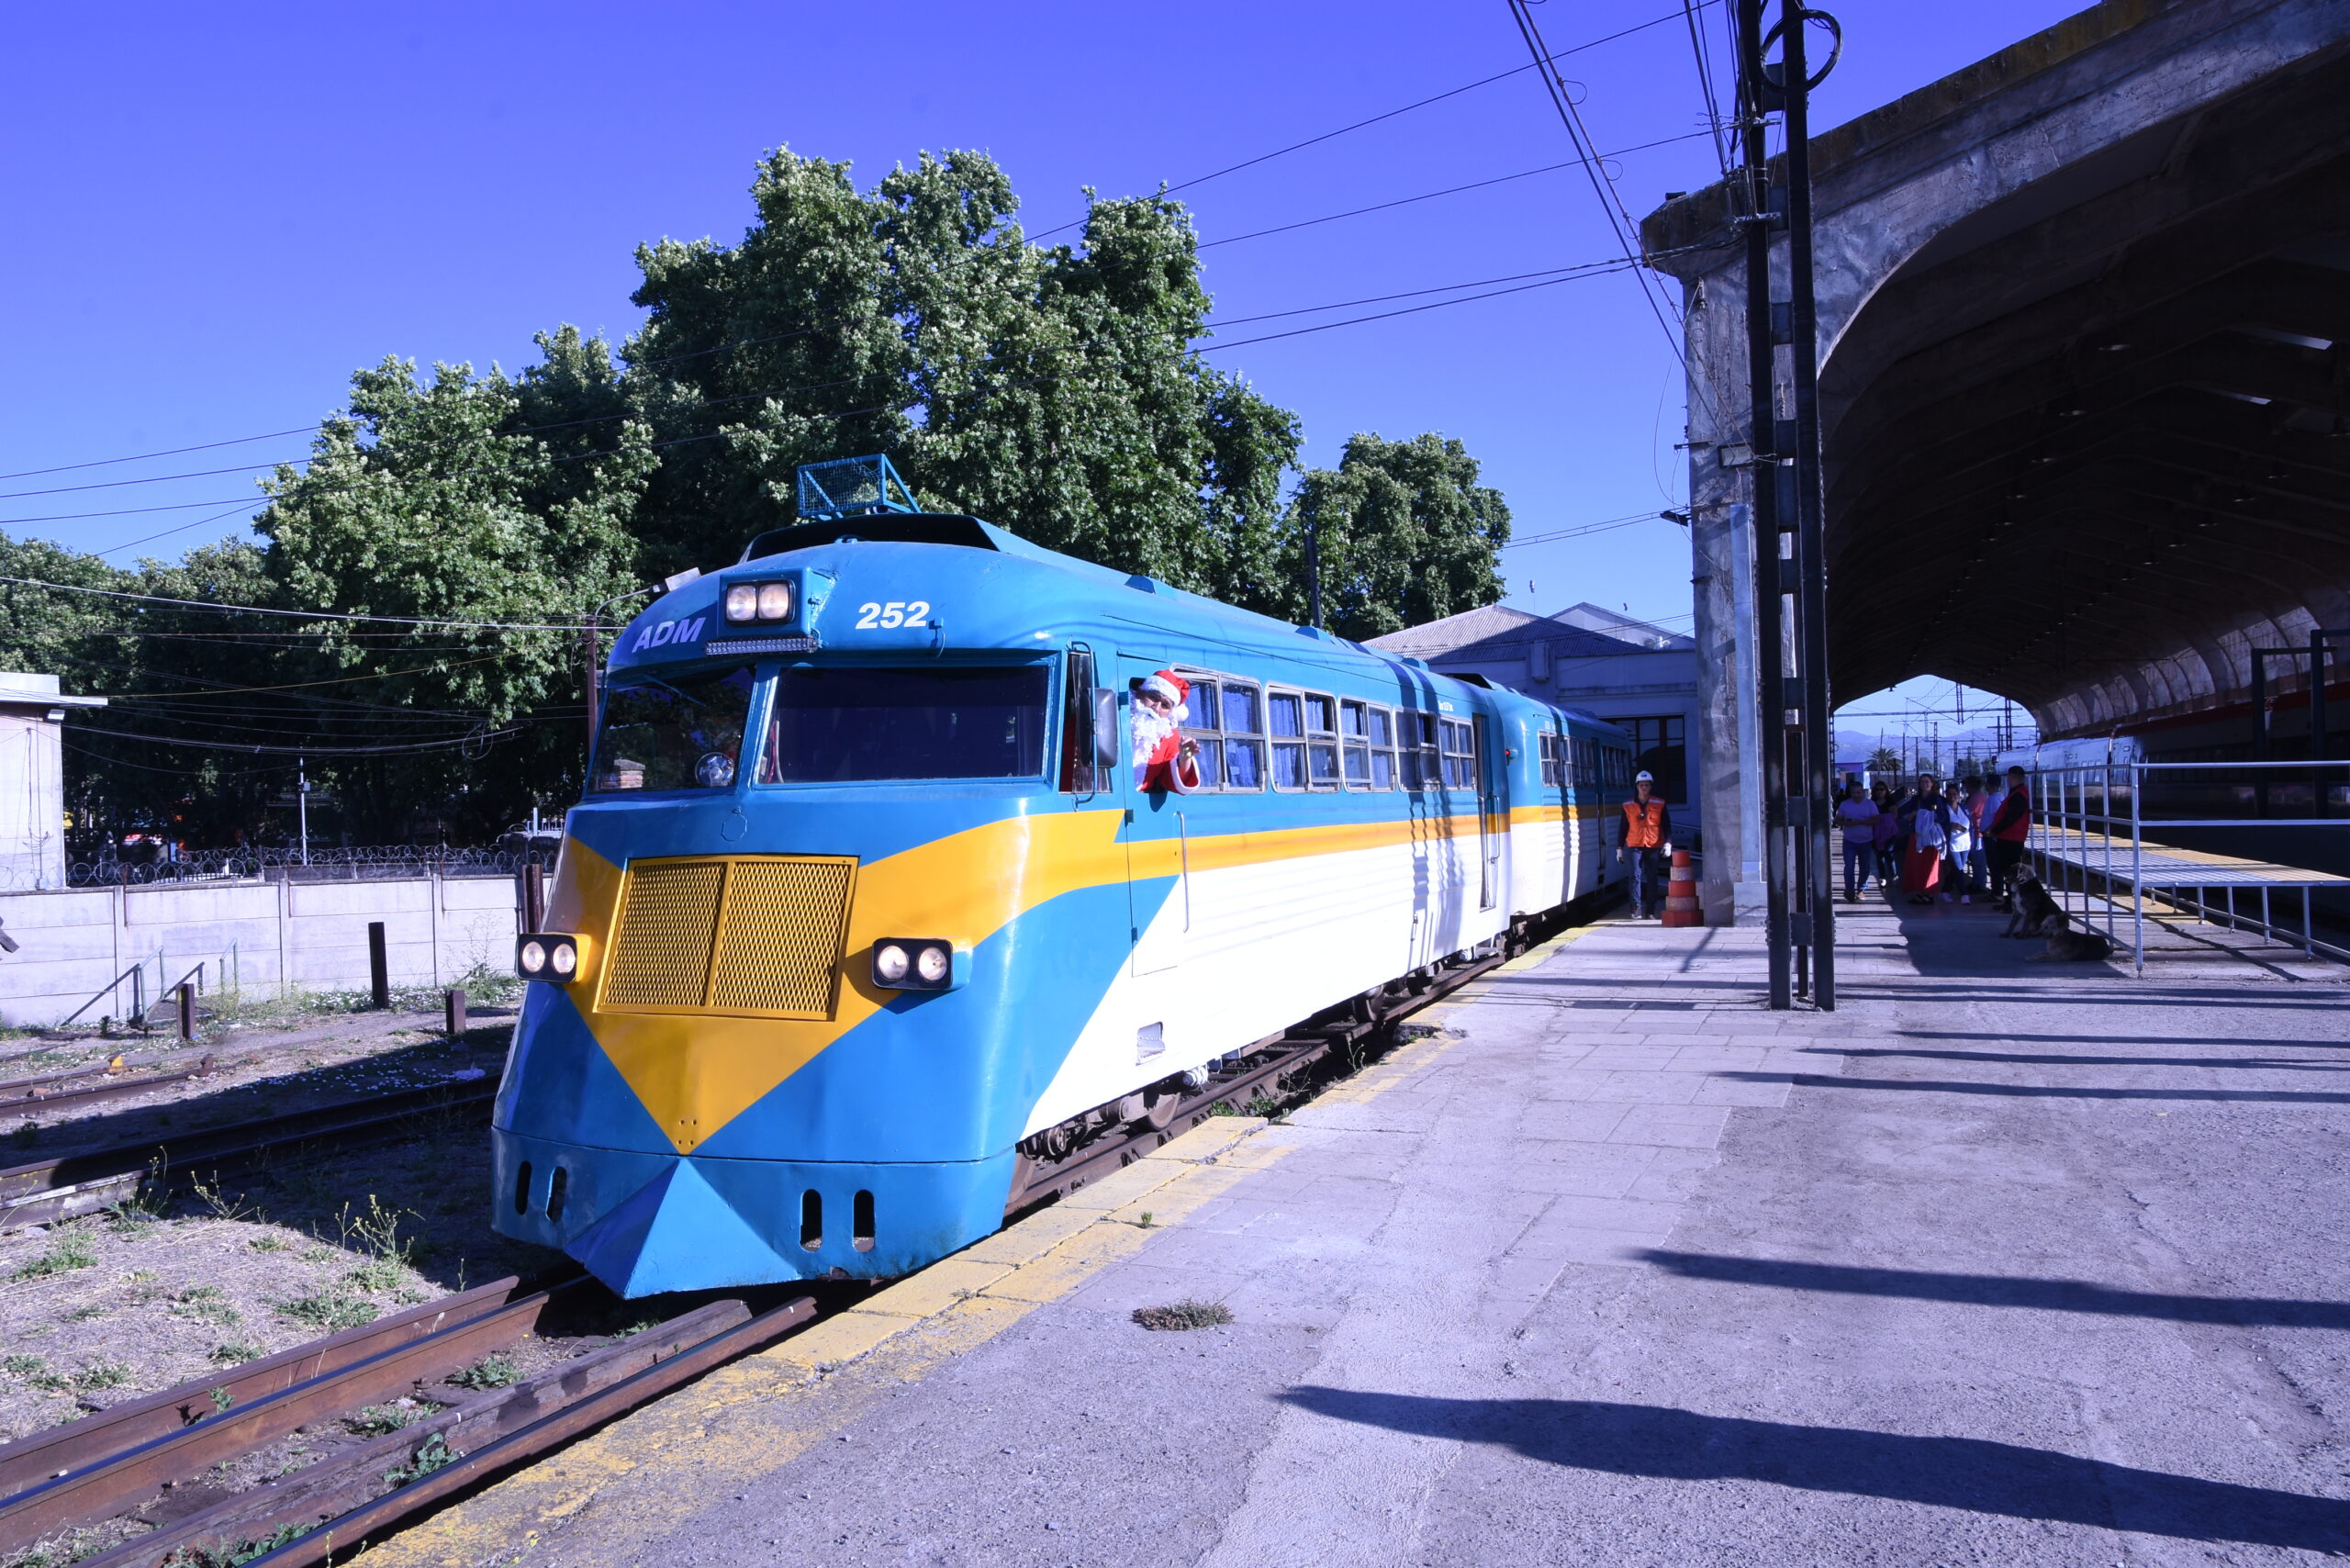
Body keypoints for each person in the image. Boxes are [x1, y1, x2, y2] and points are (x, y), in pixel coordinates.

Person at [1129, 669, 1203, 794]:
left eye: (1165, 705)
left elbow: (1173, 783)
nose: (1156, 707)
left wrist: (1185, 759)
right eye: (1153, 697)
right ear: (1140, 692)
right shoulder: (1115, 712)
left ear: (1170, 712)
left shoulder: (1169, 736)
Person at [1618, 769, 1672, 918]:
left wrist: (1668, 843)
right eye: (1641, 785)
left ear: (1651, 786)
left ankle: (1650, 910)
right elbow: (1623, 827)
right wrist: (1619, 848)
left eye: (1647, 785)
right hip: (1633, 844)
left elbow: (1666, 825)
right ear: (1637, 786)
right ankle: (1636, 908)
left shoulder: (1659, 803)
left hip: (1653, 845)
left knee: (1652, 877)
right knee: (1635, 876)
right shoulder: (1628, 805)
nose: (1644, 788)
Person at [1986, 764, 2034, 908]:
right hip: (2009, 837)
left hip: (2011, 838)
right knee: (2008, 872)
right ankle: (2010, 901)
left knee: (2011, 872)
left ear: (2011, 777)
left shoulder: (2019, 795)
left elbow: (2011, 817)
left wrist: (1995, 830)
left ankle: (2013, 903)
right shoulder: (2018, 793)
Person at [1899, 773, 1949, 905]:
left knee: (1930, 865)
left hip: (1931, 839)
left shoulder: (1937, 799)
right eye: (1922, 782)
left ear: (1932, 783)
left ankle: (1928, 892)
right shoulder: (1915, 799)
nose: (1924, 784)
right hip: (1916, 835)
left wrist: (1920, 814)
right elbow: (1905, 814)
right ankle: (1919, 892)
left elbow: (1942, 817)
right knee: (1916, 866)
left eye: (1927, 781)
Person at [1835, 778, 1879, 903]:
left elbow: (1877, 820)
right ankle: (1849, 890)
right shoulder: (1845, 805)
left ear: (1862, 792)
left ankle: (1861, 889)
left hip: (1866, 841)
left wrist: (1862, 822)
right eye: (1854, 793)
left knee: (1865, 867)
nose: (1856, 795)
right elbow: (1837, 820)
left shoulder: (1870, 804)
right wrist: (1846, 823)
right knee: (1849, 866)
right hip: (1849, 840)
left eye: (1858, 792)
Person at [1943, 782, 1975, 904]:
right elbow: (1940, 823)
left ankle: (1944, 890)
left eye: (1955, 794)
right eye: (1950, 794)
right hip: (1952, 844)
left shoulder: (1964, 808)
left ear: (1959, 795)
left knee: (1957, 869)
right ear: (1946, 795)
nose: (1952, 796)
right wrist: (1950, 826)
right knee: (1959, 868)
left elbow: (1970, 825)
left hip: (1965, 843)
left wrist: (1973, 840)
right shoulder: (1944, 810)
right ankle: (1964, 894)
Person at [1870, 781, 1900, 897]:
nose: (1879, 792)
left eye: (1882, 789)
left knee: (1888, 853)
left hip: (1890, 834)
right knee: (1879, 857)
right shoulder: (1872, 803)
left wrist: (1879, 818)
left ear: (1886, 791)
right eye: (1877, 789)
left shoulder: (1891, 803)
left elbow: (1894, 816)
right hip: (1876, 834)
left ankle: (1894, 875)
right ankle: (1883, 877)